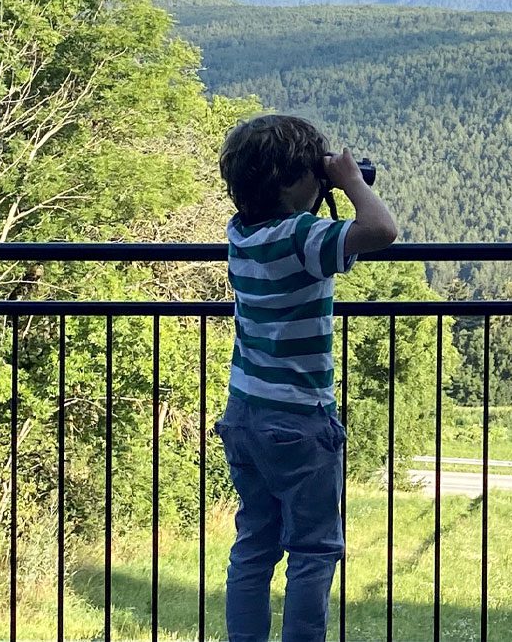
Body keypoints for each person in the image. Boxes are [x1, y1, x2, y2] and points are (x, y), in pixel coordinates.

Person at [212, 114, 399, 642]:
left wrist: (320, 184)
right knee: (314, 550)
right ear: (291, 181)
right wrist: (352, 183)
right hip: (299, 417)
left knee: (254, 545)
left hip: (244, 413)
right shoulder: (301, 235)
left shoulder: (241, 232)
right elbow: (382, 229)